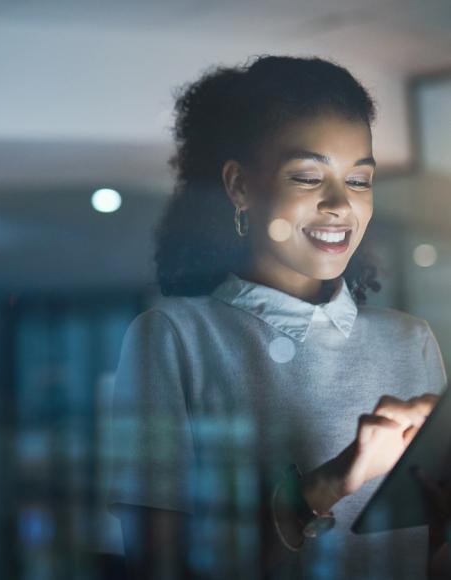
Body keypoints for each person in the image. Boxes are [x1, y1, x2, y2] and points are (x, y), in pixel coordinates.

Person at [104, 54, 450, 579]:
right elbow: (157, 564)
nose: (340, 205)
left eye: (359, 181)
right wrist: (331, 483)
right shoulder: (169, 338)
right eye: (309, 177)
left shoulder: (411, 340)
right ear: (240, 186)